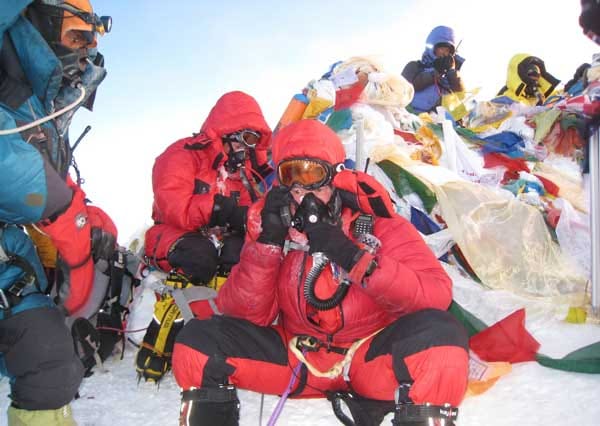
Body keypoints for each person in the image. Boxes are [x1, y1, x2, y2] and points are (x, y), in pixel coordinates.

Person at [171, 119, 470, 426]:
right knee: (198, 341)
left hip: (367, 358)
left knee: (442, 340)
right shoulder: (275, 233)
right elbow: (245, 317)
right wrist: (266, 247)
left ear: (336, 179)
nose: (303, 195)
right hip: (299, 357)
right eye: (292, 181)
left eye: (313, 176)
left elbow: (435, 297)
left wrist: (353, 256)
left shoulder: (381, 227)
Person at [0, 0, 115, 424]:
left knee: (51, 358)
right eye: (77, 36)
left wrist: (82, 213)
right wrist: (62, 207)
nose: (86, 50)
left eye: (93, 41)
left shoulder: (41, 104)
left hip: (9, 259)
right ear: (38, 24)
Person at [137, 90, 273, 382]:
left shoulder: (248, 172)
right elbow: (173, 206)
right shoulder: (182, 154)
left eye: (254, 141)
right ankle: (158, 343)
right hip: (172, 234)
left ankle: (218, 338)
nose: (247, 148)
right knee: (200, 258)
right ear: (226, 132)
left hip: (219, 238)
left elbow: (256, 213)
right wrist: (221, 209)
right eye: (244, 138)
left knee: (241, 257)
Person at [402, 25, 465, 114]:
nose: (444, 53)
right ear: (433, 47)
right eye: (441, 48)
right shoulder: (414, 66)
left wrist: (452, 72)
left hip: (442, 123)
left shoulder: (452, 75)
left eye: (448, 51)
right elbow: (403, 88)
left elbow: (461, 96)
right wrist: (435, 72)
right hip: (413, 116)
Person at [494, 54, 560, 106]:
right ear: (521, 78)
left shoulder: (540, 94)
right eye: (530, 79)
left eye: (536, 79)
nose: (533, 82)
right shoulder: (506, 95)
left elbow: (556, 97)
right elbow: (493, 114)